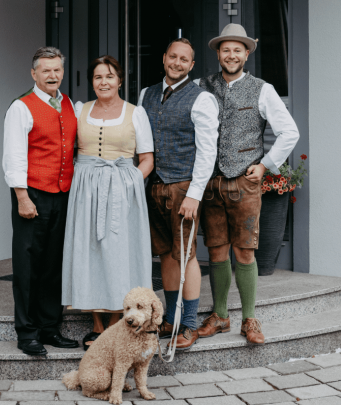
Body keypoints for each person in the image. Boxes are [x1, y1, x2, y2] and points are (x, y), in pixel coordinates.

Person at [195, 24, 300, 345]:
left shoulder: (261, 88)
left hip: (245, 183)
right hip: (211, 183)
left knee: (244, 253)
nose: (231, 55)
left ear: (246, 53)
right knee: (215, 252)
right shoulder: (202, 85)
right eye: (225, 49)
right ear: (218, 53)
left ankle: (250, 318)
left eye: (237, 50)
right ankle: (221, 316)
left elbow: (289, 132)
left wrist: (266, 166)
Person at [62, 55, 154, 350]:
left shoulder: (135, 113)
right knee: (89, 251)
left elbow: (148, 159)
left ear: (120, 80)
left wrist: (129, 184)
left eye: (110, 76)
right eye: (98, 77)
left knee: (119, 254)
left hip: (123, 191)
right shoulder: (80, 110)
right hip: (86, 190)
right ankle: (97, 325)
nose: (104, 82)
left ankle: (115, 324)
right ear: (92, 81)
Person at [138, 38, 219, 350]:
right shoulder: (146, 94)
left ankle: (188, 325)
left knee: (185, 255)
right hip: (154, 186)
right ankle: (170, 318)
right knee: (165, 255)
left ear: (192, 65)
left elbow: (206, 152)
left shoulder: (202, 100)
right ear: (164, 58)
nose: (177, 63)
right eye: (173, 56)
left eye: (184, 59)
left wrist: (194, 195)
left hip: (183, 187)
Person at [3, 47, 80, 355]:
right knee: (28, 265)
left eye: (57, 70)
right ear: (33, 74)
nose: (52, 75)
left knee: (53, 265)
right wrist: (21, 196)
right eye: (45, 70)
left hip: (62, 194)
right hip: (32, 195)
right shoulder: (21, 107)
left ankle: (49, 328)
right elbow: (14, 156)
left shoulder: (70, 103)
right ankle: (27, 332)